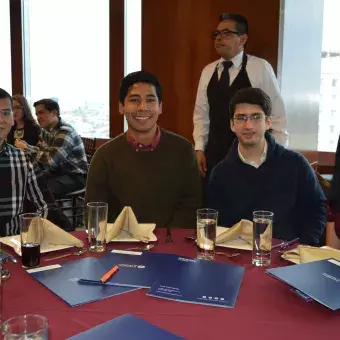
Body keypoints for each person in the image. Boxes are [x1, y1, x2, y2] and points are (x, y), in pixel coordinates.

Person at [208, 88, 326, 246]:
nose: (248, 125)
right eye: (241, 118)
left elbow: (316, 209)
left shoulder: (295, 164)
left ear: (268, 122)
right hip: (238, 255)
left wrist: (304, 245)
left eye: (256, 117)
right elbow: (218, 225)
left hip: (289, 255)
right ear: (232, 125)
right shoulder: (220, 173)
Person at [85, 71, 202, 228]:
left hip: (169, 244)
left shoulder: (183, 150)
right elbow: (94, 213)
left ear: (160, 107)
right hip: (120, 245)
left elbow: (191, 205)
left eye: (150, 100)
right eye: (134, 100)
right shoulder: (104, 156)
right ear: (121, 107)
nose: (143, 107)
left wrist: (164, 240)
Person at [193, 13, 288, 179]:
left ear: (243, 39)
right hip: (214, 156)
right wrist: (199, 148)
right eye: (217, 34)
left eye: (226, 33)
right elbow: (201, 115)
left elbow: (277, 115)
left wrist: (277, 156)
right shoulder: (208, 71)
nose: (219, 38)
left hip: (252, 155)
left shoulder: (260, 68)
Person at [0, 88, 72, 235]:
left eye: (6, 113)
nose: (1, 120)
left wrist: (34, 236)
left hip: (72, 176)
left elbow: (46, 206)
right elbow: (40, 151)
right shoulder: (45, 133)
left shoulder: (22, 159)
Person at [15, 99, 88, 197]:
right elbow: (39, 151)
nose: (38, 117)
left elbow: (51, 160)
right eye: (36, 114)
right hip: (58, 173)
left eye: (41, 113)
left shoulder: (65, 132)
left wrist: (27, 148)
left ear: (54, 113)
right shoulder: (46, 131)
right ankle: (34, 211)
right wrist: (27, 147)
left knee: (40, 188)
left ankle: (50, 212)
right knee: (28, 181)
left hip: (75, 176)